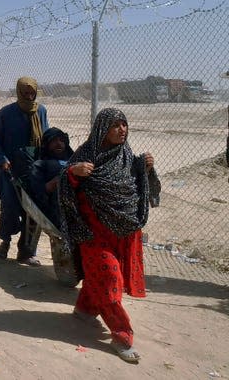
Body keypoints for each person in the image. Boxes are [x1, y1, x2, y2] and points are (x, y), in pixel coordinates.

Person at [58, 108, 160, 363]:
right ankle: (122, 335)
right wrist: (72, 173)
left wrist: (146, 170)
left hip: (122, 234)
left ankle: (85, 308)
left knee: (101, 278)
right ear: (102, 129)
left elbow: (141, 191)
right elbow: (63, 186)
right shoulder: (85, 155)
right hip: (93, 236)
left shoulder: (128, 159)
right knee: (110, 281)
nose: (122, 130)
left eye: (124, 124)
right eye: (115, 125)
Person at [0, 76, 49, 265]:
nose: (29, 97)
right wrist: (2, 160)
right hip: (10, 170)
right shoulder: (6, 113)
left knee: (34, 212)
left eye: (32, 93)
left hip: (35, 170)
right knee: (10, 208)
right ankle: (5, 242)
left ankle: (27, 252)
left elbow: (46, 137)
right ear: (19, 92)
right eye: (26, 93)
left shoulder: (41, 111)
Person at [28, 127, 73, 228]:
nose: (58, 143)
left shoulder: (75, 161)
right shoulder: (40, 165)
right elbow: (39, 194)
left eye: (61, 140)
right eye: (54, 140)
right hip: (58, 209)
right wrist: (59, 180)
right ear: (46, 144)